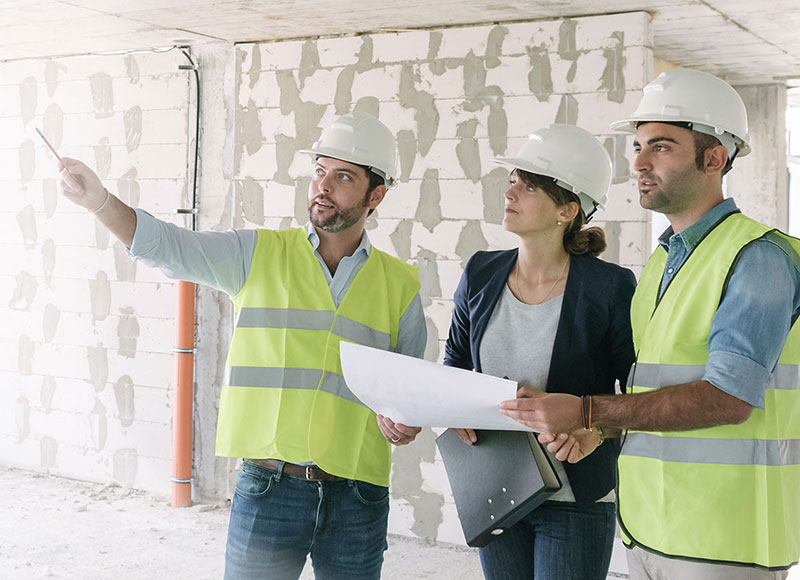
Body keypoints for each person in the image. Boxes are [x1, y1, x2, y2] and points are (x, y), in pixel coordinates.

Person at [57, 111, 426, 580]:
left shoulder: (400, 285)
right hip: (270, 487)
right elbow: (170, 246)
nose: (322, 187)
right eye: (318, 172)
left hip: (358, 495)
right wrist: (99, 201)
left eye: (343, 176)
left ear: (376, 195)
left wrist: (404, 419)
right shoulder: (260, 254)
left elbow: (412, 390)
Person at [500, 68, 800, 579]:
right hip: (649, 529)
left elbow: (728, 398)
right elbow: (652, 388)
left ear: (714, 158)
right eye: (637, 146)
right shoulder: (663, 261)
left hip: (724, 537)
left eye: (660, 147)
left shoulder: (758, 258)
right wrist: (600, 427)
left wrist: (587, 411)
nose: (638, 162)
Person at [443, 124, 636, 580]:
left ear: (567, 209)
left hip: (575, 497)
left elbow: (638, 391)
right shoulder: (481, 271)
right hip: (498, 487)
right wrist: (455, 407)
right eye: (512, 180)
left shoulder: (609, 286)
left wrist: (597, 428)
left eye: (528, 186)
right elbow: (454, 363)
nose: (511, 192)